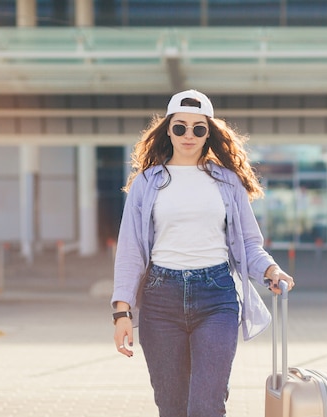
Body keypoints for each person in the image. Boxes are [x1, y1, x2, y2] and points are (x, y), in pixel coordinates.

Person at [111, 89, 295, 417]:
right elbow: (130, 251)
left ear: (208, 133)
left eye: (199, 128)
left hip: (217, 298)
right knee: (172, 406)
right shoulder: (147, 182)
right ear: (168, 129)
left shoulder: (227, 181)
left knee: (206, 406)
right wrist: (121, 313)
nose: (188, 135)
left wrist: (270, 270)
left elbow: (249, 243)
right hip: (160, 300)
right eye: (180, 127)